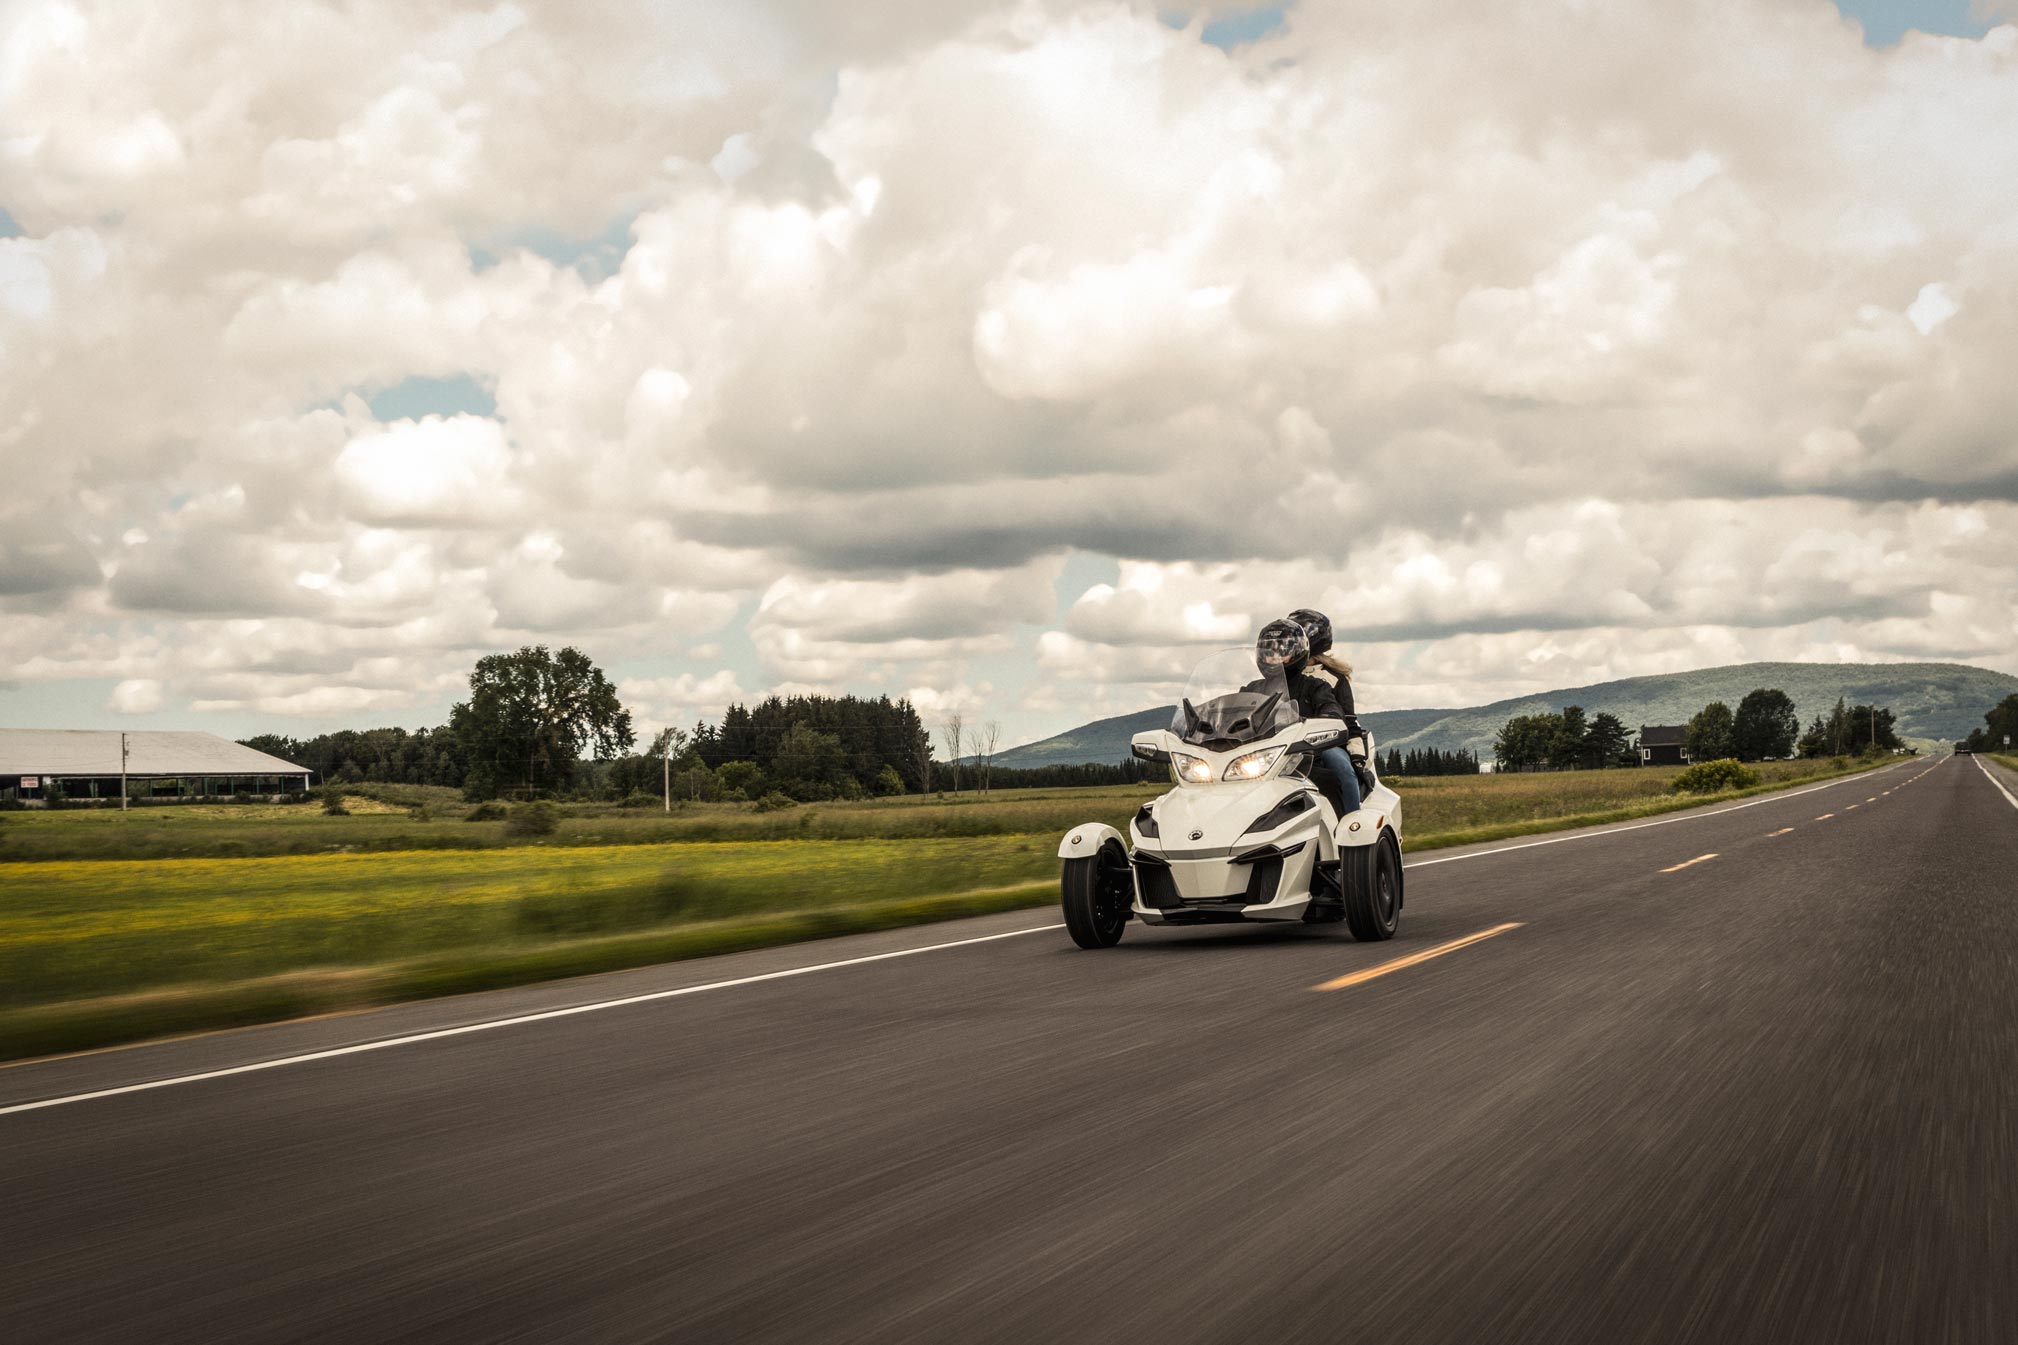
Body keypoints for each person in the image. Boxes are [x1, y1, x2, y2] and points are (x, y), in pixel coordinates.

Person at [1254, 619, 1362, 817]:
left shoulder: (1316, 685)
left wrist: (1326, 721)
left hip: (1313, 747)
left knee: (1341, 768)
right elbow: (1232, 713)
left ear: (1298, 653)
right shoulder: (1253, 689)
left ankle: (1353, 824)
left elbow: (1334, 712)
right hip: (1266, 749)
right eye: (1269, 652)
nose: (1275, 657)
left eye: (1282, 652)